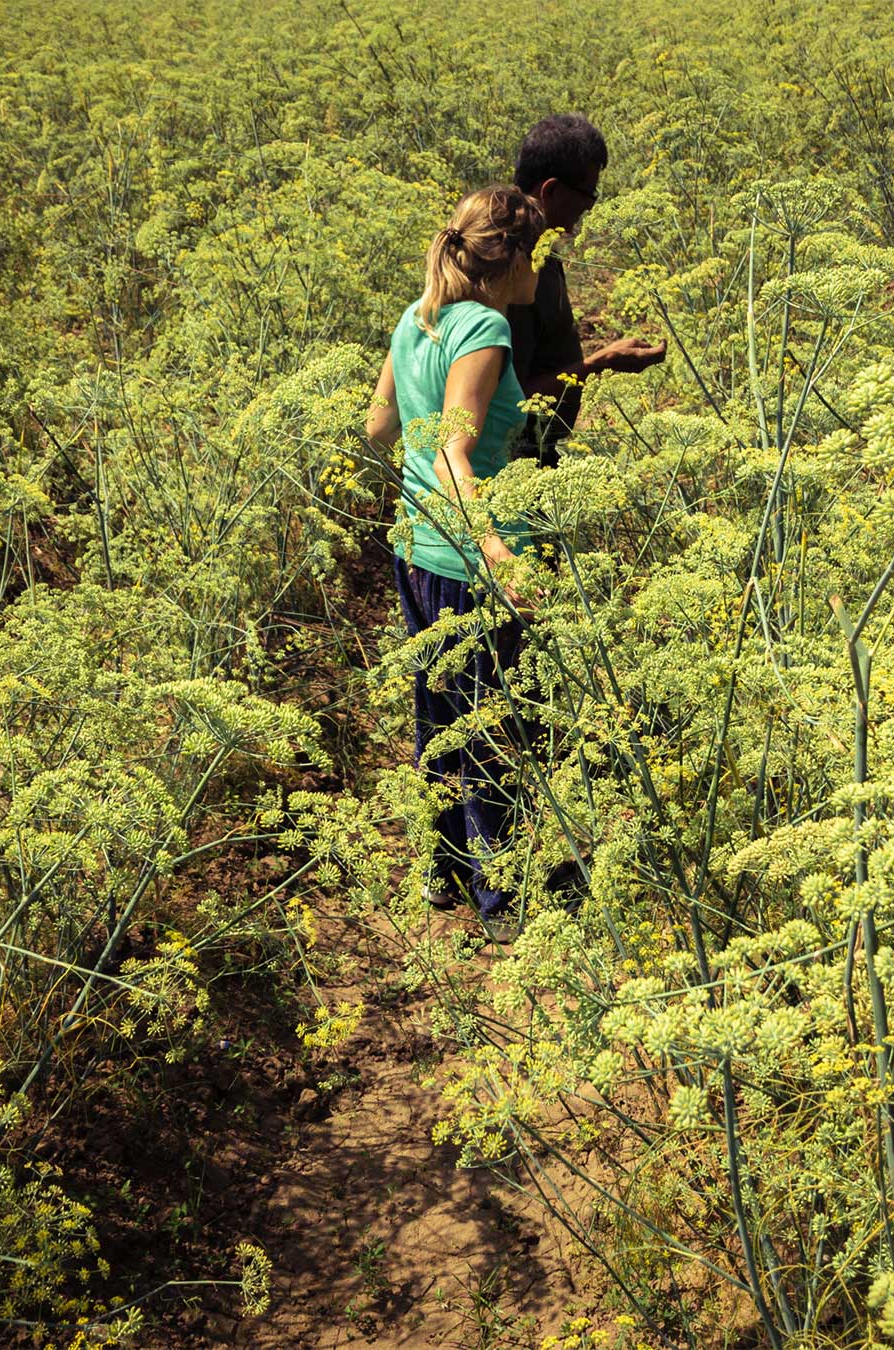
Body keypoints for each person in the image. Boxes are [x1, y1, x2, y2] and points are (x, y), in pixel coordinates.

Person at [364, 185, 546, 927]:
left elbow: (379, 426)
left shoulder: (420, 316)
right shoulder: (483, 331)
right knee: (490, 725)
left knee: (438, 715)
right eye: (542, 251)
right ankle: (498, 897)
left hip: (415, 545)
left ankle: (439, 870)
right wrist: (499, 551)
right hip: (465, 557)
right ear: (513, 259)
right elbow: (451, 455)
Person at [508, 113, 667, 468]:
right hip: (514, 461)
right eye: (586, 193)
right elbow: (507, 396)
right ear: (549, 190)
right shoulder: (515, 270)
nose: (589, 206)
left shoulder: (540, 250)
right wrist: (600, 364)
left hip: (537, 451)